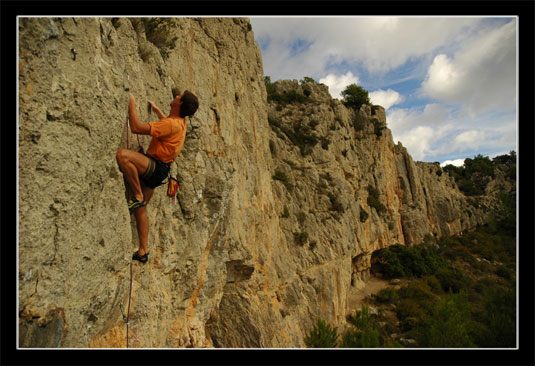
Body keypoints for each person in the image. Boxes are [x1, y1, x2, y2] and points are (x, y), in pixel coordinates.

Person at [116, 88, 199, 263]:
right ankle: (143, 251)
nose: (176, 96)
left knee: (122, 156)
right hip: (161, 170)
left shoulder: (171, 124)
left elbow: (137, 128)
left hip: (155, 166)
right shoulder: (179, 123)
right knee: (141, 210)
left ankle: (137, 193)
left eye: (179, 97)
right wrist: (157, 111)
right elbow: (168, 125)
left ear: (180, 103)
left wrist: (130, 101)